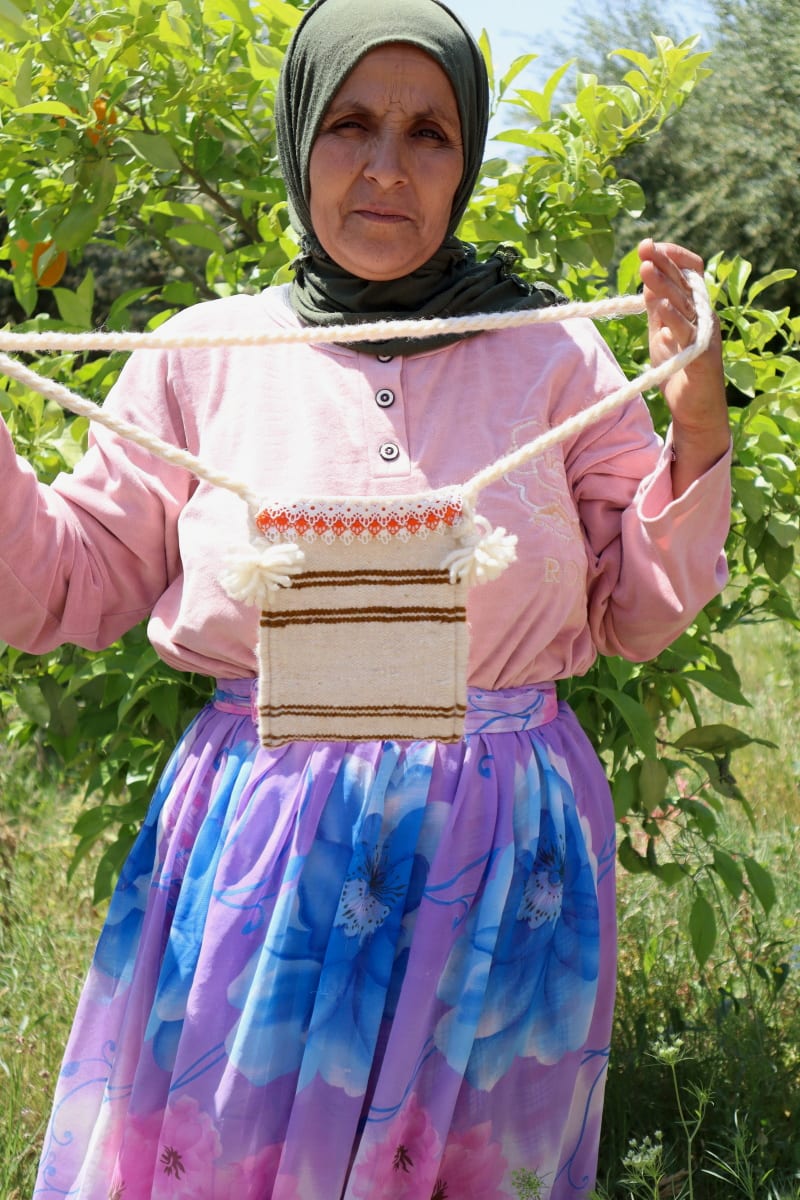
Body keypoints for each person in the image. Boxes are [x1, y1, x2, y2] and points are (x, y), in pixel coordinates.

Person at [5, 1, 731, 1196]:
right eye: (348, 124)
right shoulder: (203, 354)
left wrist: (696, 414)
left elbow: (638, 611)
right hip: (265, 848)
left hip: (502, 857)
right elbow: (66, 586)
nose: (386, 166)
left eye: (427, 132)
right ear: (298, 143)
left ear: (467, 157)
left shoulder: (551, 353)